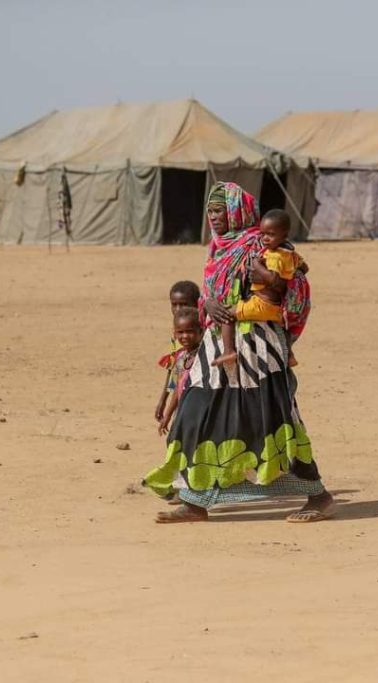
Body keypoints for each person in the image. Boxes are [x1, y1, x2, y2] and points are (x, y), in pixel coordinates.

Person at [143, 181, 332, 524]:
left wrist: (253, 297)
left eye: (219, 211)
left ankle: (317, 495)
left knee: (273, 422)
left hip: (257, 350)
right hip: (216, 348)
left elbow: (292, 284)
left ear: (236, 211)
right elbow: (208, 296)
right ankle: (196, 500)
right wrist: (211, 303)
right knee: (196, 416)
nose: (213, 218)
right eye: (210, 211)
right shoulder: (217, 249)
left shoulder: (262, 244)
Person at [212, 209, 306, 369]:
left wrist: (256, 265)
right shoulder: (290, 254)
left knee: (226, 313)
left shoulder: (275, 256)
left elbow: (272, 279)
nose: (265, 238)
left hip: (261, 304)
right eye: (262, 234)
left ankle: (228, 351)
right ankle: (288, 355)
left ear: (284, 235)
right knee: (283, 331)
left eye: (271, 234)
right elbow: (304, 268)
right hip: (277, 308)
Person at [154, 280, 201, 423]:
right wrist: (163, 399)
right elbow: (174, 368)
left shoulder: (199, 331)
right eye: (174, 304)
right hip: (181, 391)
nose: (178, 309)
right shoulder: (179, 331)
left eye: (184, 304)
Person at [157, 306, 203, 436]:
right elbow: (178, 389)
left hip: (200, 414)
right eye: (180, 332)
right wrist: (167, 415)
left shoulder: (204, 356)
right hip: (182, 413)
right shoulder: (181, 357)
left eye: (189, 331)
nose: (185, 336)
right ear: (174, 333)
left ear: (200, 330)